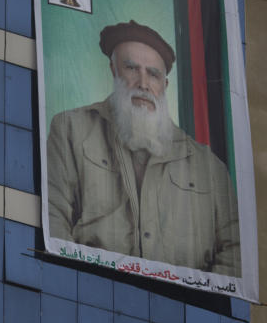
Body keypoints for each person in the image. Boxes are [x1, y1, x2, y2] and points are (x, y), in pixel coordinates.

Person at [47, 20, 241, 276]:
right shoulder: (71, 129)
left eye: (153, 74)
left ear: (165, 86)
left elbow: (235, 252)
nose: (143, 83)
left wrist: (196, 300)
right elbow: (53, 217)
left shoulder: (208, 166)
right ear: (113, 70)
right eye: (131, 68)